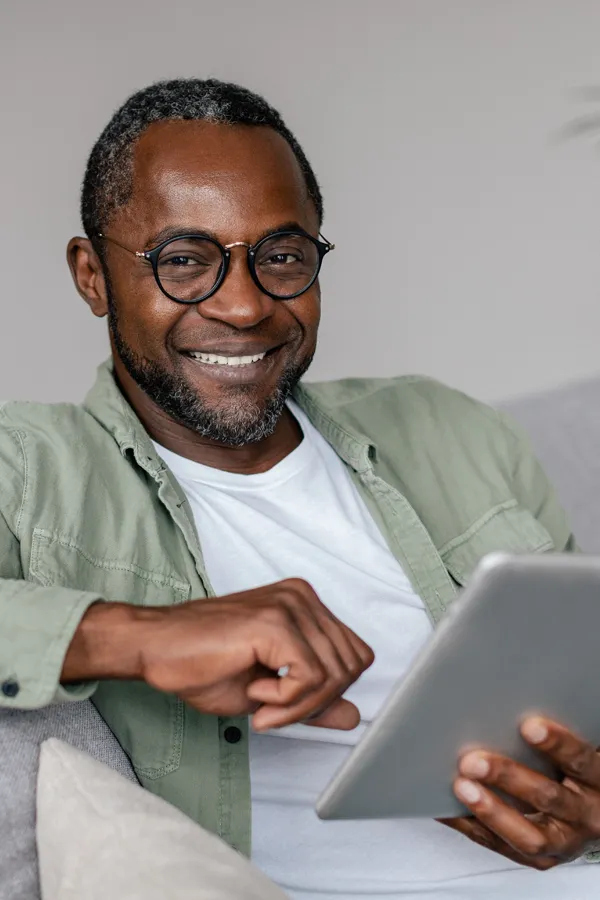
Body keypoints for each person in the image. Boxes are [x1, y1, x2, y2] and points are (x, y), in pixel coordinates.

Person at [0, 78, 599, 900]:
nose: (244, 305)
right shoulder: (28, 465)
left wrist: (585, 801)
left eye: (281, 256)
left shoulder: (450, 427)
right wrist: (140, 636)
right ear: (92, 275)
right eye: (184, 261)